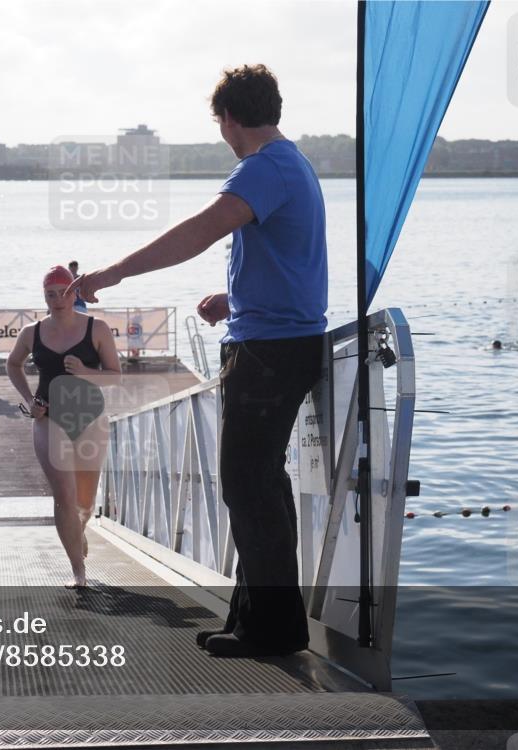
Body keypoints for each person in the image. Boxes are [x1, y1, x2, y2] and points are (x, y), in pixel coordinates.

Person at [68, 65, 327, 657]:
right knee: (260, 483)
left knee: (248, 484)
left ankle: (272, 629)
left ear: (229, 118)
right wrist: (235, 299)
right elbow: (296, 261)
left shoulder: (264, 168)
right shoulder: (294, 164)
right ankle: (258, 620)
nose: (223, 134)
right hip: (279, 340)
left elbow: (197, 232)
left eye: (220, 124)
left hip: (269, 352)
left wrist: (112, 273)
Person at [7, 266, 121, 588]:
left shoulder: (96, 328)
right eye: (51, 294)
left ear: (75, 294)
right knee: (64, 496)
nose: (58, 300)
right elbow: (13, 364)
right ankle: (77, 570)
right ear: (44, 297)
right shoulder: (31, 332)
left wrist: (84, 371)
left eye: (64, 293)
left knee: (85, 503)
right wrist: (29, 399)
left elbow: (115, 376)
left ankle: (78, 531)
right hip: (48, 419)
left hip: (89, 419)